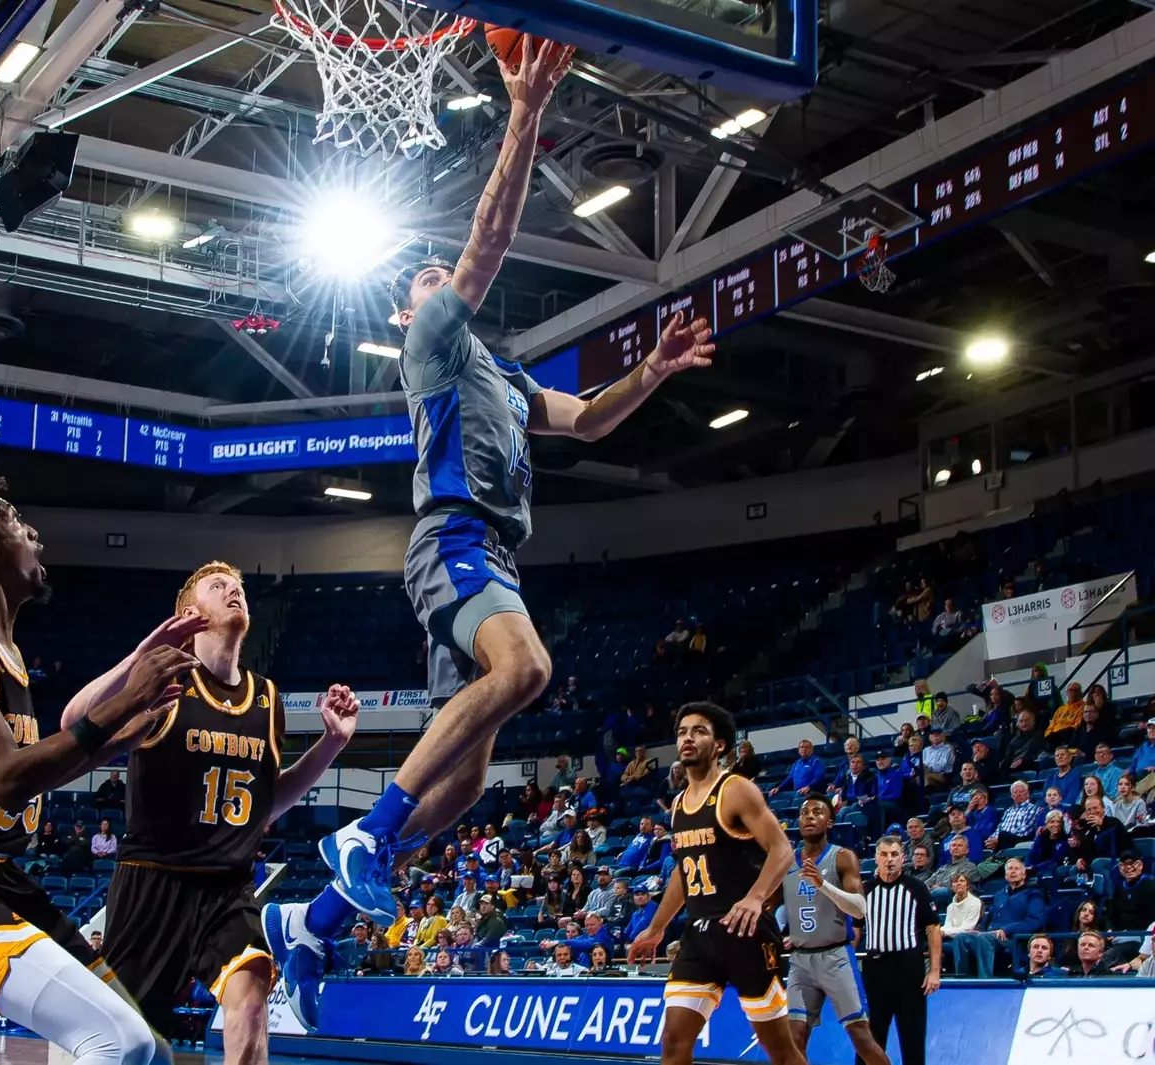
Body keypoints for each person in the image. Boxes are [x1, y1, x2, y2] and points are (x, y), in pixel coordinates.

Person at [279, 32, 716, 1001]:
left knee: (469, 785)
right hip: (455, 538)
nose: (438, 275)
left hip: (493, 554)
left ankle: (308, 924)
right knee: (526, 669)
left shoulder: (504, 376)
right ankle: (368, 830)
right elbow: (485, 242)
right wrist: (523, 111)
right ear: (406, 313)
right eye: (421, 277)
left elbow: (591, 421)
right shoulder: (432, 344)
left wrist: (654, 368)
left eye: (440, 275)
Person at [0, 468, 195, 1065]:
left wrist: (125, 736)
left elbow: (37, 766)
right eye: (16, 523)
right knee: (116, 1042)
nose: (35, 537)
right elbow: (7, 780)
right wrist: (125, 700)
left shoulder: (10, 654)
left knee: (148, 1048)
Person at [69, 563, 358, 1058]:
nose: (234, 593)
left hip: (227, 888)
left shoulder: (267, 697)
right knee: (123, 1042)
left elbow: (268, 805)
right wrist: (143, 655)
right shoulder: (165, 680)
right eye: (218, 586)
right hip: (152, 885)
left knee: (250, 999)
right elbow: (75, 721)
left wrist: (332, 743)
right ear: (191, 612)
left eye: (240, 588)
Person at [627, 703, 803, 1065]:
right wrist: (657, 928)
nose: (688, 737)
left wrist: (756, 897)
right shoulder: (677, 805)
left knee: (782, 1052)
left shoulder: (736, 789)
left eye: (699, 731)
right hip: (699, 936)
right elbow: (683, 870)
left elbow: (783, 850)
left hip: (745, 932)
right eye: (682, 731)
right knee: (674, 1044)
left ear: (719, 745)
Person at [782, 796, 887, 1064]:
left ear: (829, 822)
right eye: (804, 812)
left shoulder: (841, 857)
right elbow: (775, 906)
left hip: (835, 957)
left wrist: (822, 885)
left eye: (817, 812)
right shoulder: (786, 862)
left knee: (861, 1038)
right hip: (800, 961)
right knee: (793, 1039)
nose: (809, 816)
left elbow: (859, 909)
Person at [861, 836, 942, 1065]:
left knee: (912, 1039)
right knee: (870, 1040)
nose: (889, 860)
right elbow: (854, 931)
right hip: (875, 970)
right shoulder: (864, 890)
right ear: (876, 858)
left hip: (909, 970)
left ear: (903, 858)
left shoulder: (916, 888)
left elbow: (933, 928)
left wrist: (934, 971)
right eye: (884, 854)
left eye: (894, 854)